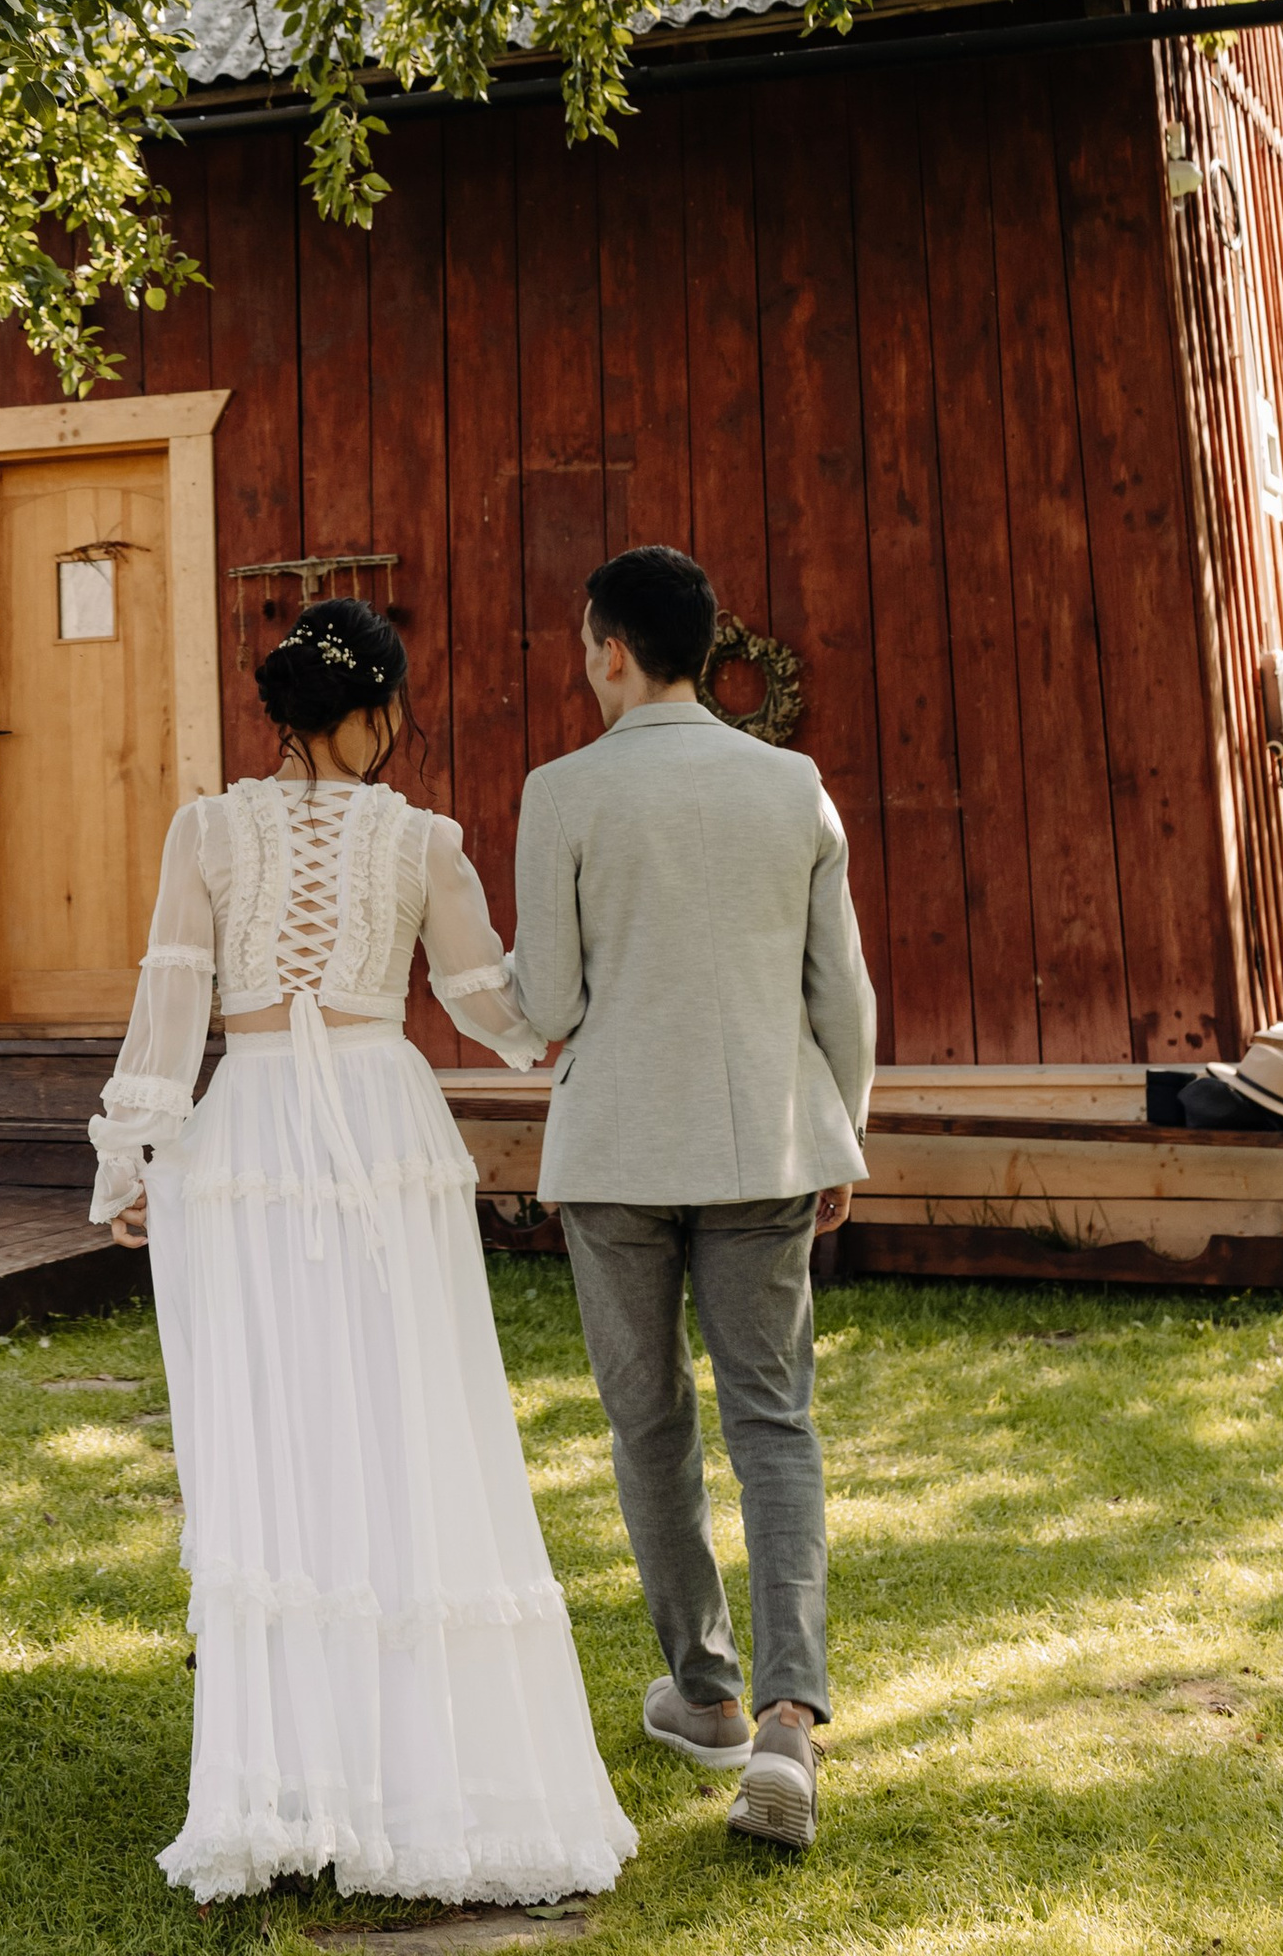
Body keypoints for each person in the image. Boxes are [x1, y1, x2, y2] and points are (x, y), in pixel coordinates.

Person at [89, 598, 636, 1910]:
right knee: (407, 1427)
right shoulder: (423, 838)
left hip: (253, 1142)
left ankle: (296, 1780)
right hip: (380, 1133)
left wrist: (134, 1154)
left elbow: (171, 996)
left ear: (283, 712)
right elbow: (491, 1007)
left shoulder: (206, 829)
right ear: (379, 708)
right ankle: (407, 1768)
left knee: (282, 1441)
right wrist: (593, 1013)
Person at [510, 543, 875, 1858]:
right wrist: (846, 1131)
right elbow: (840, 989)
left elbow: (548, 1005)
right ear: (707, 648)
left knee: (647, 1419)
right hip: (768, 1140)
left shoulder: (561, 792)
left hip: (614, 1153)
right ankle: (787, 1721)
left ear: (609, 646)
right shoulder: (792, 785)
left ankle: (706, 1691)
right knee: (775, 1422)